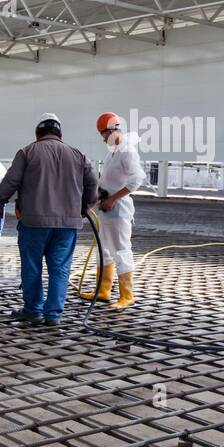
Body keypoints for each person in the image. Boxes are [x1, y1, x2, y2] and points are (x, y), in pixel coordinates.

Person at [0, 113, 97, 328]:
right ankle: (53, 315)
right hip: (67, 225)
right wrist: (83, 207)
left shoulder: (27, 152)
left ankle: (33, 311)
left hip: (34, 223)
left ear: (38, 134)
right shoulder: (78, 155)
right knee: (60, 269)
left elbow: (11, 181)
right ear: (60, 133)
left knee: (32, 267)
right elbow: (93, 184)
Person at [80, 112, 147, 310]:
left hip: (119, 209)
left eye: (103, 135)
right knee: (105, 250)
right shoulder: (114, 152)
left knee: (121, 250)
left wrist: (113, 199)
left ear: (111, 130)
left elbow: (137, 180)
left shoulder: (128, 152)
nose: (103, 140)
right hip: (106, 208)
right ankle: (103, 290)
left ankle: (127, 295)